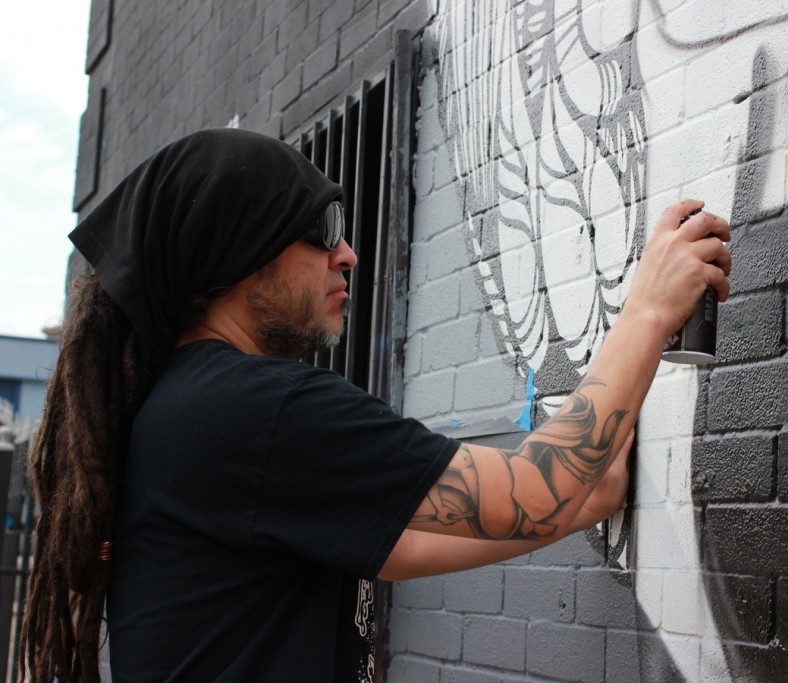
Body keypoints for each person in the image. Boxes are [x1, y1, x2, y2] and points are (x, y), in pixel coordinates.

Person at [20, 128, 730, 683]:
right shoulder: (250, 410)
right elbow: (540, 493)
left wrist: (591, 471)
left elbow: (541, 505)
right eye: (322, 228)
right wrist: (645, 309)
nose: (349, 253)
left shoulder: (195, 415)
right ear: (240, 255)